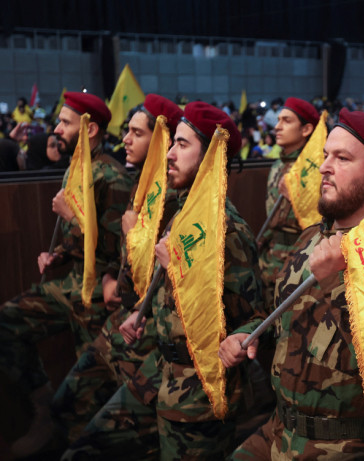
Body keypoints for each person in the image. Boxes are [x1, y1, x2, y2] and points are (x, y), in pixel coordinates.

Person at [223, 109, 364, 459]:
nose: (323, 167)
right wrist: (246, 333)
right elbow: (281, 319)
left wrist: (342, 275)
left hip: (346, 446)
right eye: (325, 155)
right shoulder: (310, 237)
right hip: (281, 429)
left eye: (342, 158)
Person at [63, 101, 266, 460]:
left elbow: (254, 317)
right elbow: (165, 296)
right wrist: (143, 311)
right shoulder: (180, 213)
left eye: (183, 145)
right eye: (173, 143)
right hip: (160, 370)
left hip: (200, 391)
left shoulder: (227, 231)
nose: (170, 154)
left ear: (210, 159)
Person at [0, 92, 133, 457]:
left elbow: (116, 254)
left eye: (65, 122)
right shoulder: (77, 166)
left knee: (85, 391)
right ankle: (41, 406)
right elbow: (81, 242)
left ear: (89, 130)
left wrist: (73, 217)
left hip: (95, 294)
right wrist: (57, 254)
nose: (57, 129)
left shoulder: (111, 175)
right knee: (8, 321)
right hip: (71, 282)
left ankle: (70, 442)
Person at [52, 94, 184, 444]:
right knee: (67, 402)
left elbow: (167, 276)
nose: (125, 138)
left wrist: (130, 237)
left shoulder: (172, 199)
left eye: (137, 133)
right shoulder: (145, 185)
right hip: (122, 317)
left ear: (161, 142)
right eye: (127, 131)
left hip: (145, 331)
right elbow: (120, 254)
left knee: (117, 434)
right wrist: (111, 275)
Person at [258, 97, 319, 307]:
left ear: (306, 129)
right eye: (278, 120)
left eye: (286, 121)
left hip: (297, 260)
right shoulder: (277, 164)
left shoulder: (314, 169)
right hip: (270, 256)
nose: (277, 127)